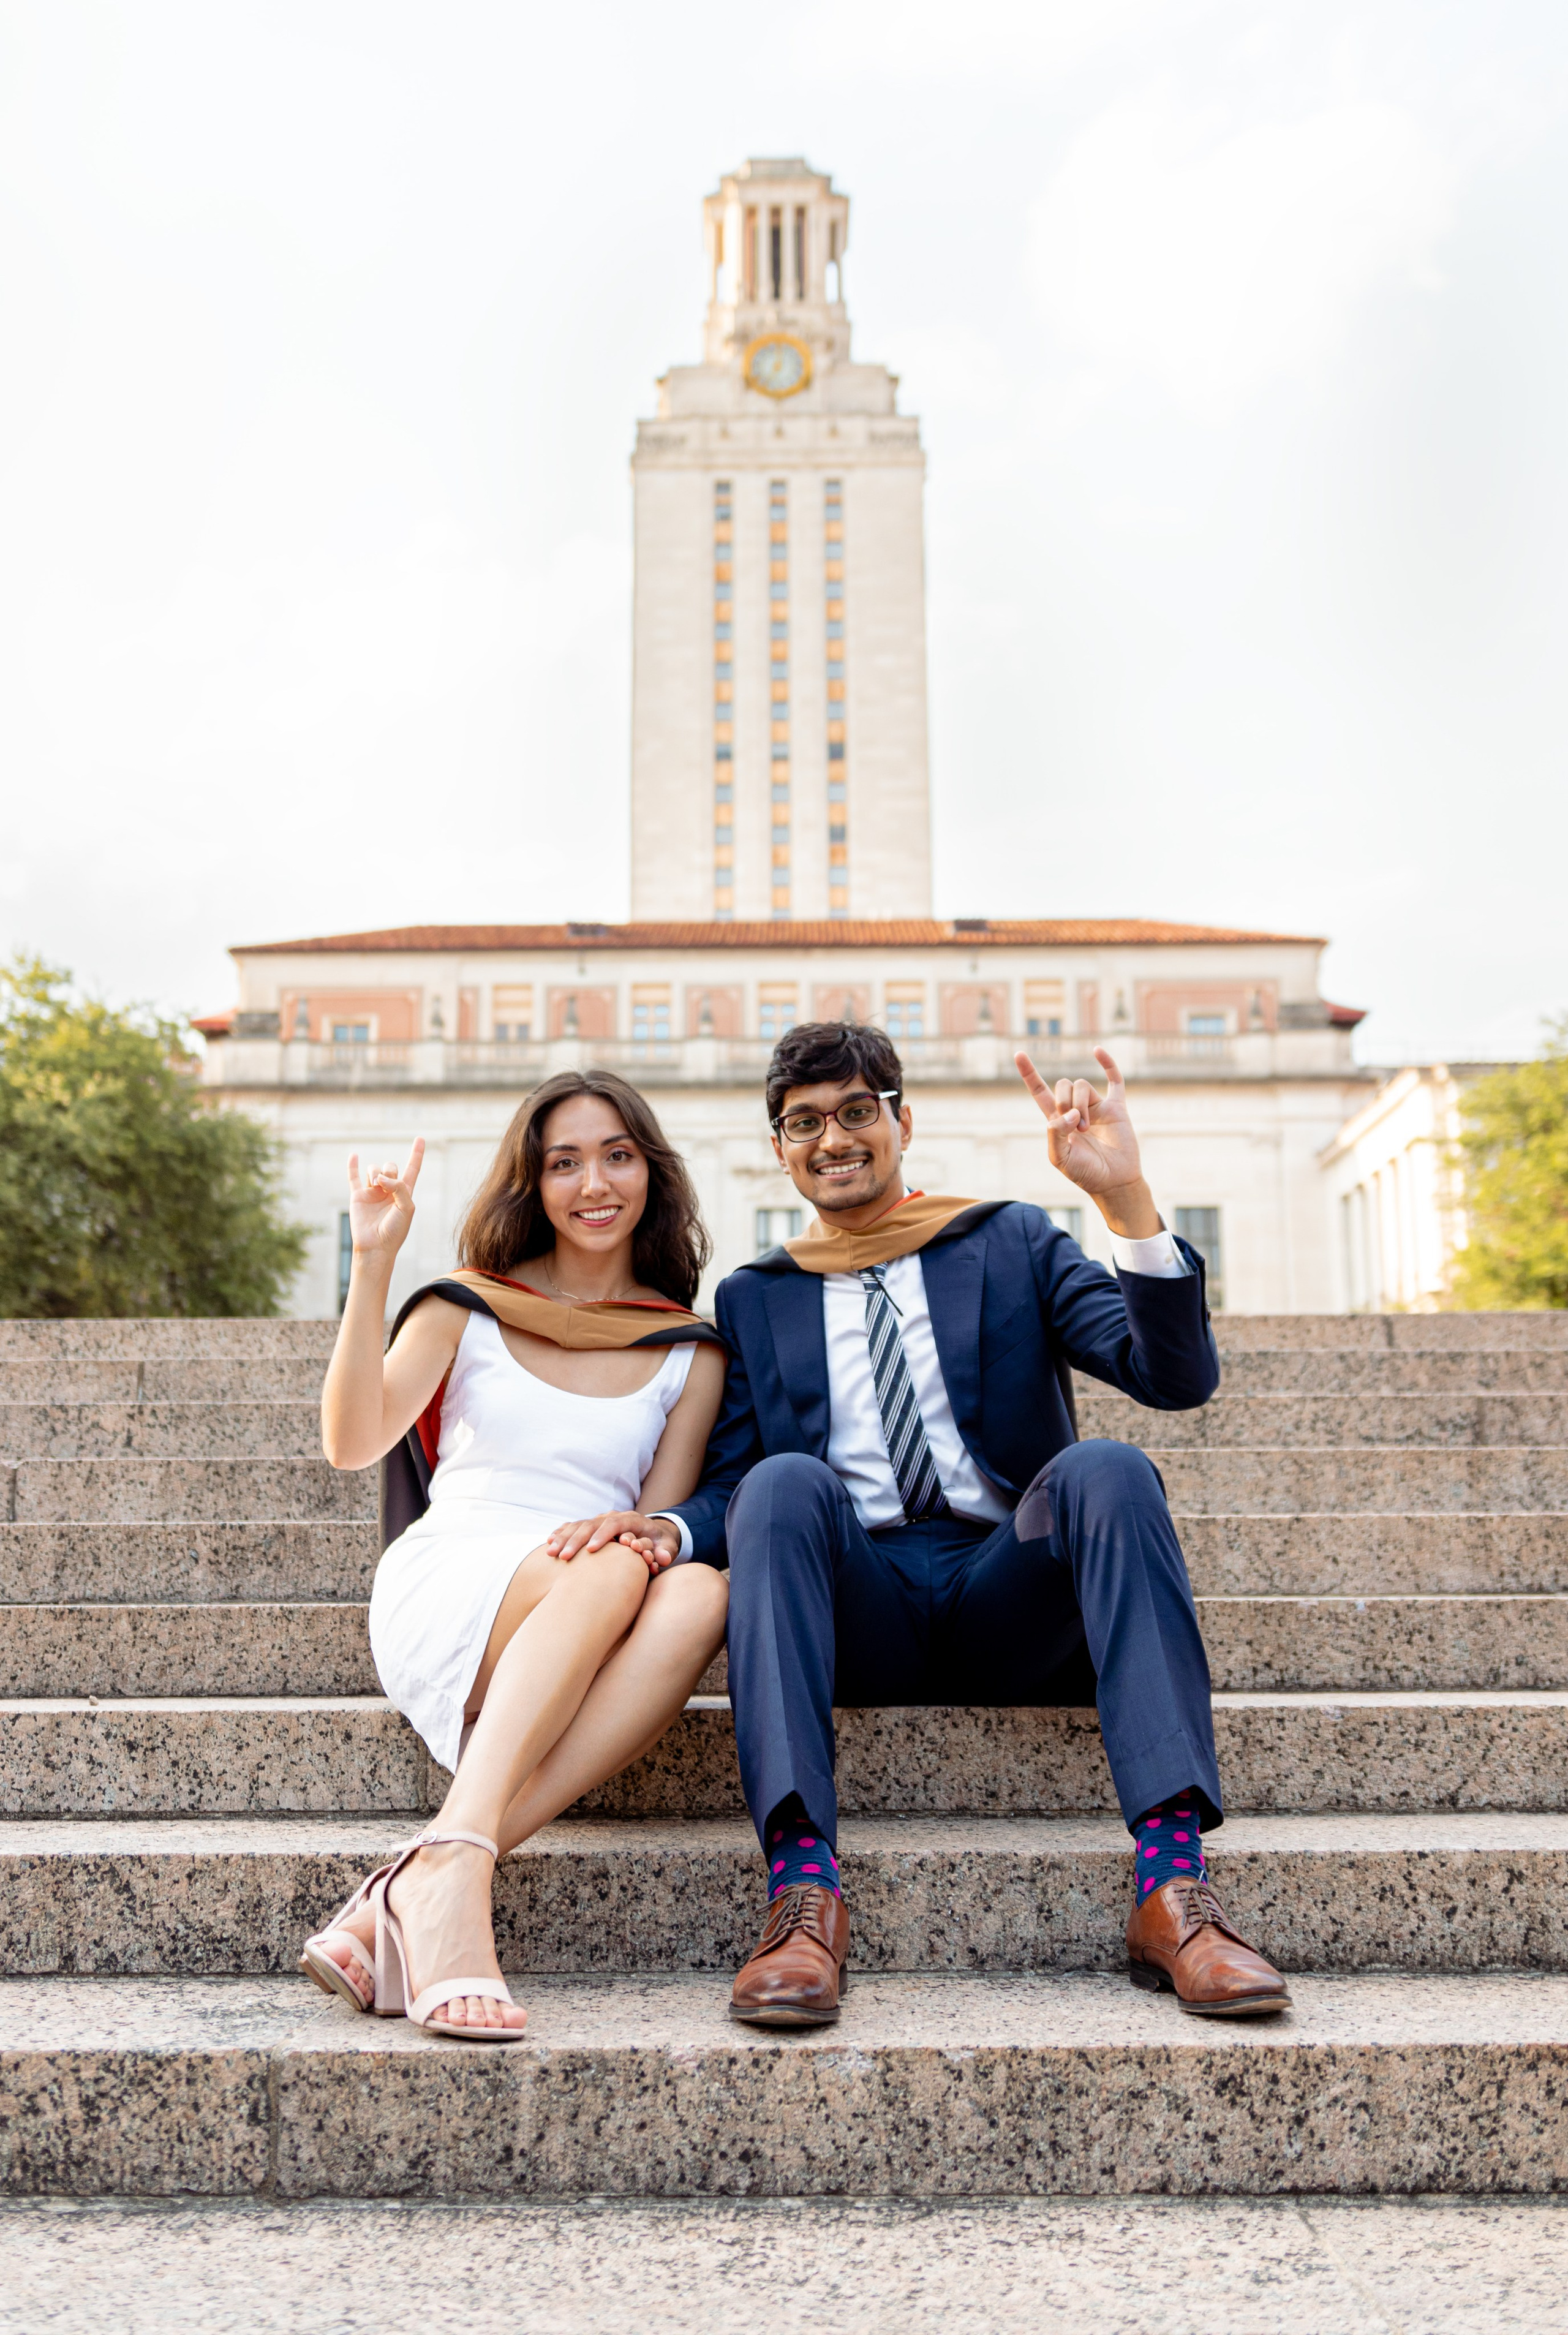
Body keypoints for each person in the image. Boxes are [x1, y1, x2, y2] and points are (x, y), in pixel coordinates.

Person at [640, 1020, 1289, 2028]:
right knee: (778, 1485)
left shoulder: (1009, 1240)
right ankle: (803, 1896)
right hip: (862, 1610)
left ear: (903, 1123)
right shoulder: (758, 1297)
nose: (833, 1138)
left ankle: (1174, 1891)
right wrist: (671, 1532)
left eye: (858, 1111)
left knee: (1109, 1468)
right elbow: (732, 1490)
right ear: (780, 1149)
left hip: (1008, 1592)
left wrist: (1123, 1198)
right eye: (805, 1122)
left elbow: (1175, 1377)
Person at [300, 1070, 729, 2041]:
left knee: (698, 1592)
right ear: (532, 1184)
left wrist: (632, 1545)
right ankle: (449, 1881)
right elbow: (351, 1441)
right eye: (563, 1163)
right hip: (459, 1571)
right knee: (618, 1562)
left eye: (617, 1156)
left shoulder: (688, 1350)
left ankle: (435, 1865)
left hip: (589, 1592)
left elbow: (652, 1527)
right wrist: (374, 1262)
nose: (594, 1184)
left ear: (652, 1173)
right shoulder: (467, 1306)